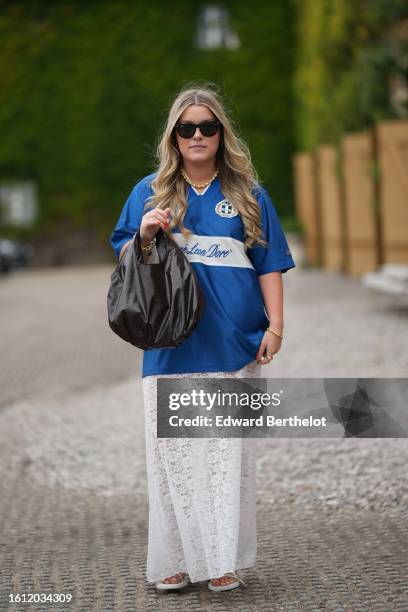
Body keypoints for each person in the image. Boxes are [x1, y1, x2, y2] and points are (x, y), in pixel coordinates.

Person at [110, 83, 296, 592]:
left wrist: (275, 327)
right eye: (186, 127)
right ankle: (172, 560)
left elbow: (270, 265)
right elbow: (124, 260)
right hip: (170, 346)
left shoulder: (249, 195)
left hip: (236, 342)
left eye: (206, 126)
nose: (197, 135)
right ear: (174, 135)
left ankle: (219, 561)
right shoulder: (148, 193)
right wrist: (145, 234)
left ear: (220, 134)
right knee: (172, 459)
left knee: (225, 459)